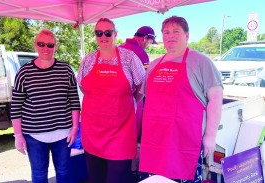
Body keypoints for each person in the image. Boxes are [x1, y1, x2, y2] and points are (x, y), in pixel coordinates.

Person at [139, 16, 223, 182]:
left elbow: (216, 98)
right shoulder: (155, 65)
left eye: (176, 31)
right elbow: (146, 100)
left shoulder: (201, 62)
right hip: (154, 140)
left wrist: (210, 136)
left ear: (187, 36)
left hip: (185, 142)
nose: (171, 35)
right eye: (166, 32)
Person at [77, 18, 145, 183]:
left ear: (115, 34)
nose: (103, 36)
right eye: (99, 33)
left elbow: (141, 87)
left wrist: (130, 103)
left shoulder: (130, 58)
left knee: (118, 178)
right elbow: (82, 86)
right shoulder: (88, 60)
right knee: (96, 178)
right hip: (93, 132)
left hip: (120, 133)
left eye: (108, 32)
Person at [11, 29, 81, 183]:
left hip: (63, 134)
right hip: (34, 135)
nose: (45, 48)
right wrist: (18, 136)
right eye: (41, 44)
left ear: (55, 47)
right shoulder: (24, 72)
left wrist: (75, 128)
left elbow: (74, 101)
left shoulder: (65, 69)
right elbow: (16, 106)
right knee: (39, 174)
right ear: (35, 45)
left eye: (50, 45)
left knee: (64, 172)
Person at [120, 26, 157, 181]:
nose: (149, 45)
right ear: (144, 38)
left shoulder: (119, 47)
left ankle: (120, 166)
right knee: (131, 135)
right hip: (133, 101)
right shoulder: (141, 54)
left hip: (116, 102)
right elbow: (143, 84)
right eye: (150, 41)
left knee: (119, 135)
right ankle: (131, 170)